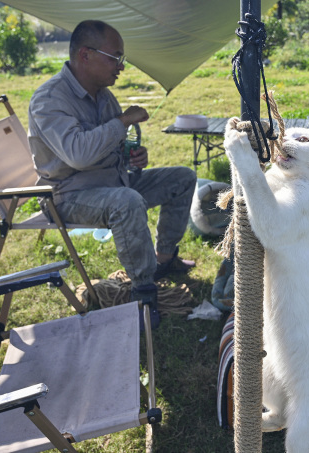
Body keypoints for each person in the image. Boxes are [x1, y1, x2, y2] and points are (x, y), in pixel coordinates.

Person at [28, 20, 197, 325]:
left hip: (114, 183)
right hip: (69, 196)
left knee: (182, 178)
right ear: (85, 55)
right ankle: (144, 293)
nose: (121, 66)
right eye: (115, 57)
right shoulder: (49, 99)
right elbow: (78, 154)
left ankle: (163, 260)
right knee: (126, 201)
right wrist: (122, 121)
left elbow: (108, 147)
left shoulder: (103, 95)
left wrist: (130, 155)